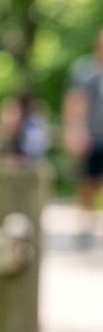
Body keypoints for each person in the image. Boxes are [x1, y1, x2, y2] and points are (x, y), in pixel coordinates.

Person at [62, 28, 103, 241]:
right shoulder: (85, 70)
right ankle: (86, 221)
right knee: (89, 180)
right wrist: (73, 130)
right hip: (91, 136)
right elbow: (73, 101)